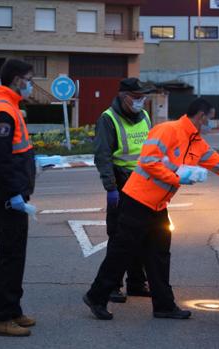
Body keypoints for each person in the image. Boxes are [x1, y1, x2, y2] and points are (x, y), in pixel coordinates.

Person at [83, 98, 219, 320]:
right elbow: (148, 162)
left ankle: (164, 306)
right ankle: (96, 296)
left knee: (159, 255)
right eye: (210, 119)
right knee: (121, 252)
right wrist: (176, 176)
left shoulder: (197, 143)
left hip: (158, 205)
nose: (210, 124)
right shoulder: (167, 130)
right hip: (136, 201)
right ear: (201, 117)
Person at [0, 59, 37, 337]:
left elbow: (15, 152)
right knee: (10, 254)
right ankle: (0, 317)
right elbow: (1, 160)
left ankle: (12, 309)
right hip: (6, 195)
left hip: (12, 194)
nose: (31, 83)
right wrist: (14, 193)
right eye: (29, 78)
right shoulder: (3, 111)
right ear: (16, 79)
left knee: (16, 253)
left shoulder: (10, 107)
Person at [93, 78, 153, 303]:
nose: (141, 102)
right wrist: (111, 188)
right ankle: (111, 286)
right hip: (121, 183)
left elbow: (151, 148)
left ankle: (136, 283)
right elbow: (102, 156)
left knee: (140, 235)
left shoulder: (145, 116)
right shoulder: (108, 119)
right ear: (123, 96)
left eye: (143, 97)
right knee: (119, 237)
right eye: (136, 98)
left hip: (143, 184)